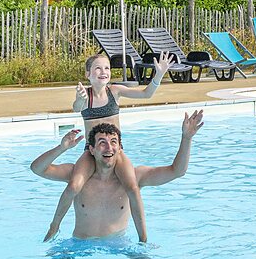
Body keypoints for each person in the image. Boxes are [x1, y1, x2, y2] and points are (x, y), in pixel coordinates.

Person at [45, 51, 177, 243]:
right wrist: (80, 98)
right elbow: (77, 107)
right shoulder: (86, 96)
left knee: (132, 187)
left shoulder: (115, 91)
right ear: (88, 74)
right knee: (74, 186)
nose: (103, 72)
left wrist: (159, 75)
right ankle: (54, 226)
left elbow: (146, 94)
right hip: (91, 151)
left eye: (106, 68)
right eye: (98, 68)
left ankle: (143, 239)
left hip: (116, 151)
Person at [30, 110, 203, 240]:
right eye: (102, 143)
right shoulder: (75, 174)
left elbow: (177, 171)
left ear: (120, 148)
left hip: (118, 247)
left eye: (113, 142)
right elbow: (37, 169)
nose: (109, 148)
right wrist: (61, 148)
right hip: (81, 247)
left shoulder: (136, 177)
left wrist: (186, 139)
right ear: (91, 149)